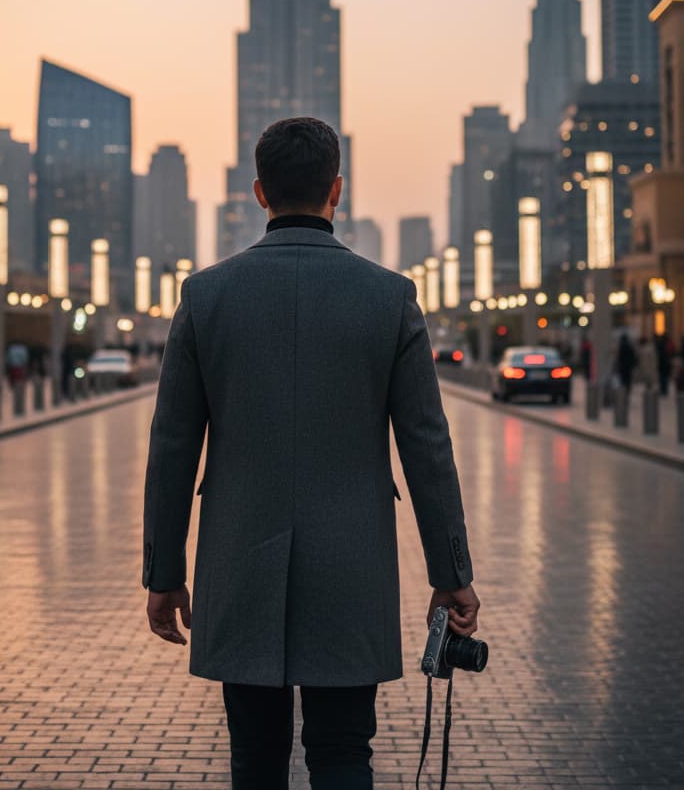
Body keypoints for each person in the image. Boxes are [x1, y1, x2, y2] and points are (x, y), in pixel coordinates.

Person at [142, 118, 478, 789]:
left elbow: (173, 444)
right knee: (345, 752)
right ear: (338, 190)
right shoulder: (391, 297)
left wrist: (163, 571)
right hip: (352, 564)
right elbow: (427, 447)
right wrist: (451, 571)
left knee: (255, 759)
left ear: (260, 192)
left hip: (240, 559)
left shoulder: (206, 296)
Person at [655, 331, 673, 396]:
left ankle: (663, 390)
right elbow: (672, 351)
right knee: (665, 378)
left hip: (662, 363)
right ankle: (664, 390)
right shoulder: (668, 343)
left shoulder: (660, 344)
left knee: (662, 378)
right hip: (666, 363)